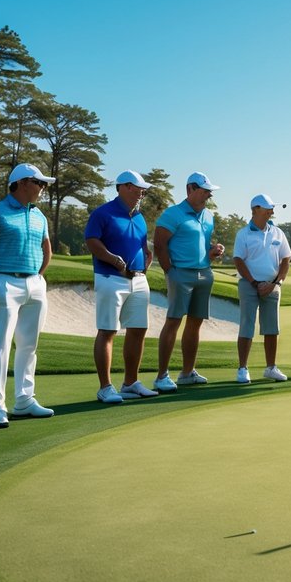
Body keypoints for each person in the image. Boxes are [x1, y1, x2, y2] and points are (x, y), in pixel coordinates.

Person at [0, 163, 57, 427]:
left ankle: (24, 400)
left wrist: (39, 276)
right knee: (0, 346)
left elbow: (46, 247)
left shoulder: (39, 216)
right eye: (38, 182)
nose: (42, 188)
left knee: (29, 345)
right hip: (5, 282)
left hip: (34, 284)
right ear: (21, 183)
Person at [84, 170, 159, 405]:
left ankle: (130, 383)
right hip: (110, 278)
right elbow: (92, 241)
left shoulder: (139, 216)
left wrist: (146, 257)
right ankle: (105, 387)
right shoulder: (103, 213)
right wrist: (111, 258)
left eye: (143, 189)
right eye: (138, 188)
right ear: (124, 187)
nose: (142, 193)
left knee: (138, 329)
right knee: (108, 331)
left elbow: (141, 244)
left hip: (138, 279)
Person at [153, 172, 225, 391]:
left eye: (209, 192)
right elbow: (159, 245)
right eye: (204, 191)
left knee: (195, 323)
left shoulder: (209, 216)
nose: (207, 196)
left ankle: (186, 372)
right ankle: (162, 376)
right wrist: (170, 272)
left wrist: (212, 251)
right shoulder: (173, 214)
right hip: (180, 273)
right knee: (174, 321)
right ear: (190, 189)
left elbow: (202, 245)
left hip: (204, 273)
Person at [232, 193, 291, 384]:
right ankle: (242, 369)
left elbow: (286, 259)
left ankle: (271, 367)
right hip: (249, 284)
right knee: (247, 326)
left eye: (271, 208)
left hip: (272, 285)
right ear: (255, 209)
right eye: (267, 208)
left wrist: (276, 283)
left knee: (272, 329)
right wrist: (255, 283)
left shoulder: (278, 233)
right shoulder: (243, 234)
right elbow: (238, 260)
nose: (271, 211)